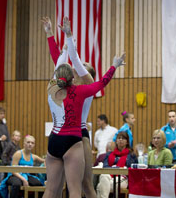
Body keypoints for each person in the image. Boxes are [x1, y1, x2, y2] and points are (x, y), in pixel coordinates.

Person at [42, 49, 125, 198]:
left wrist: (60, 43)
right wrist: (114, 66)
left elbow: (58, 66)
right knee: (74, 189)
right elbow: (103, 82)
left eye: (83, 65)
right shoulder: (82, 91)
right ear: (72, 76)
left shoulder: (52, 90)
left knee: (52, 189)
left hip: (55, 138)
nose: (78, 65)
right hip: (74, 139)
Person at [42, 15, 97, 198]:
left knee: (86, 186)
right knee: (55, 188)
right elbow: (58, 63)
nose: (75, 68)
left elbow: (68, 62)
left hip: (79, 135)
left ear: (83, 74)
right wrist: (51, 34)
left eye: (80, 67)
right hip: (65, 134)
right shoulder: (68, 88)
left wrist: (68, 37)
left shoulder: (86, 88)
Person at [96, 132, 137, 198]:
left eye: (123, 138)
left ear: (127, 142)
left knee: (100, 186)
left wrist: (114, 168)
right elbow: (105, 167)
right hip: (109, 176)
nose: (120, 140)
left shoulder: (131, 155)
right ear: (116, 141)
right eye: (119, 138)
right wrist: (119, 168)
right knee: (103, 175)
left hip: (123, 178)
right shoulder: (109, 154)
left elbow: (134, 170)